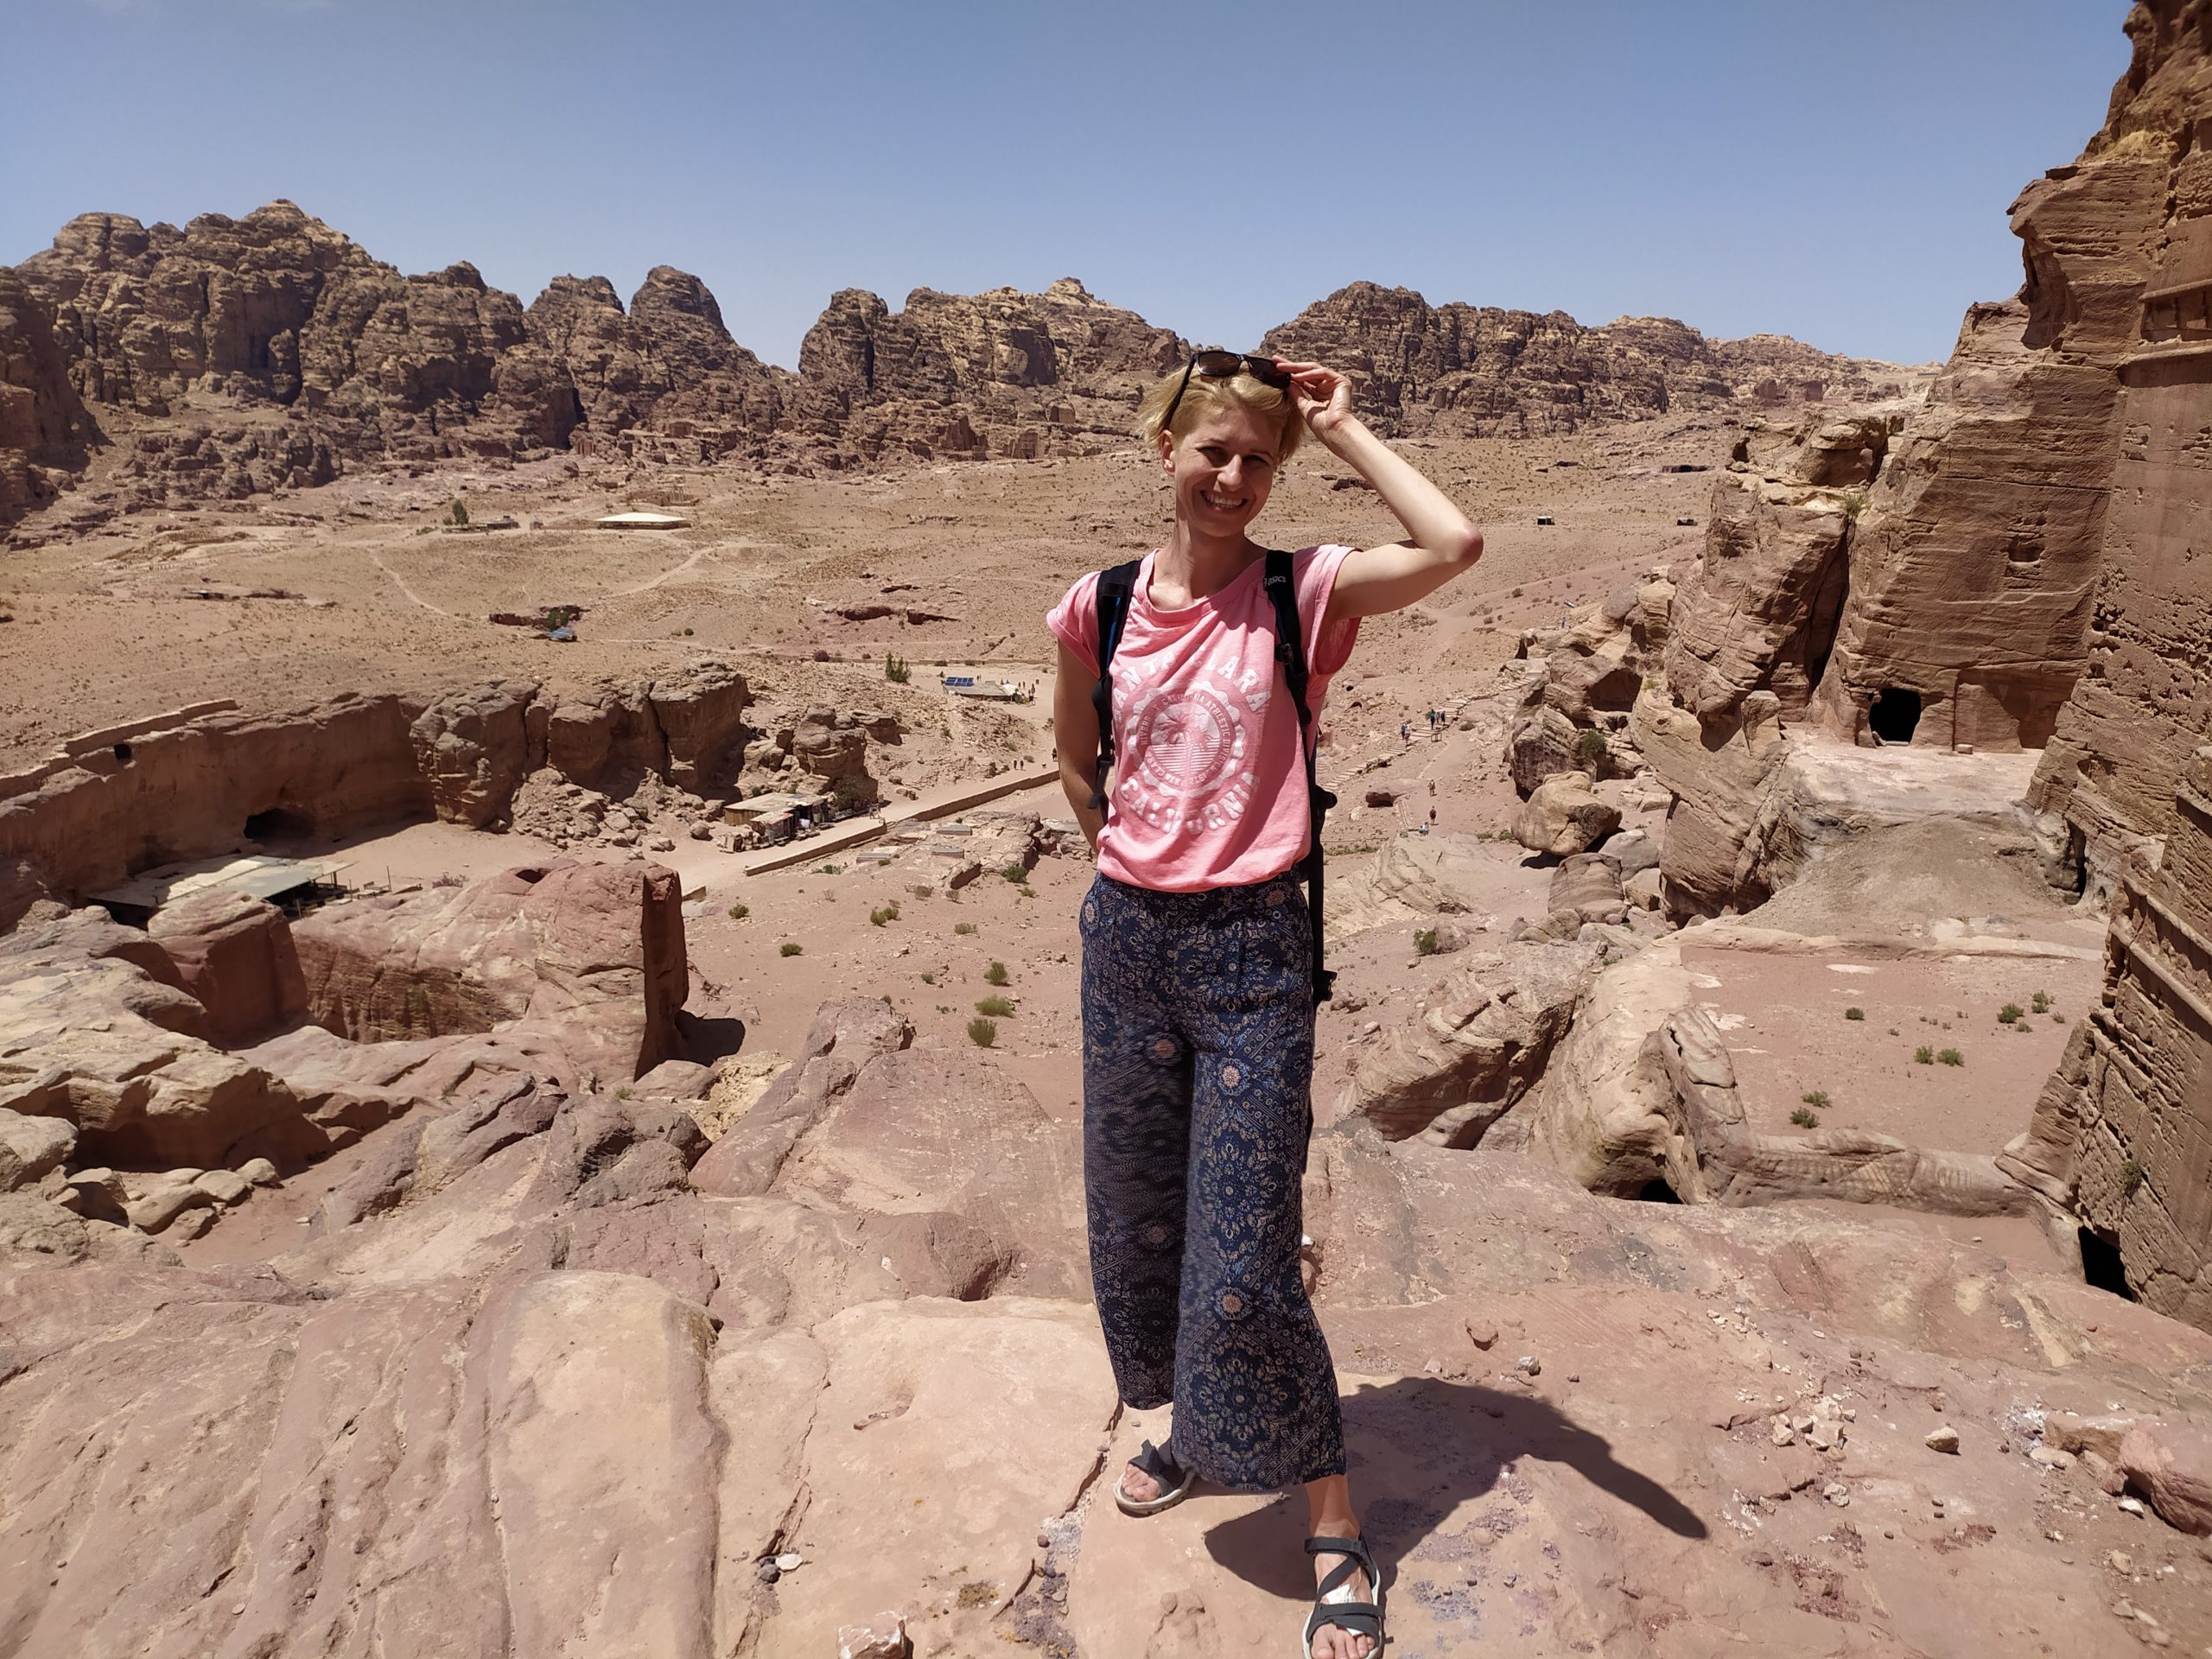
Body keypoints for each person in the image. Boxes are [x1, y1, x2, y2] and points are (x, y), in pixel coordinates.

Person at [1048, 351, 1482, 1659]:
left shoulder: (1305, 590)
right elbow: (1077, 758)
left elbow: (1454, 544)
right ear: (1164, 450)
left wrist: (1342, 431)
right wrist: (1136, 862)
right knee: (1143, 1226)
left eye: (1257, 460)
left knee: (1245, 1257)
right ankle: (1190, 1431)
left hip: (1254, 956)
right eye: (1213, 452)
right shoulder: (1098, 603)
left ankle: (1332, 1520)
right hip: (1129, 946)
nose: (1232, 479)